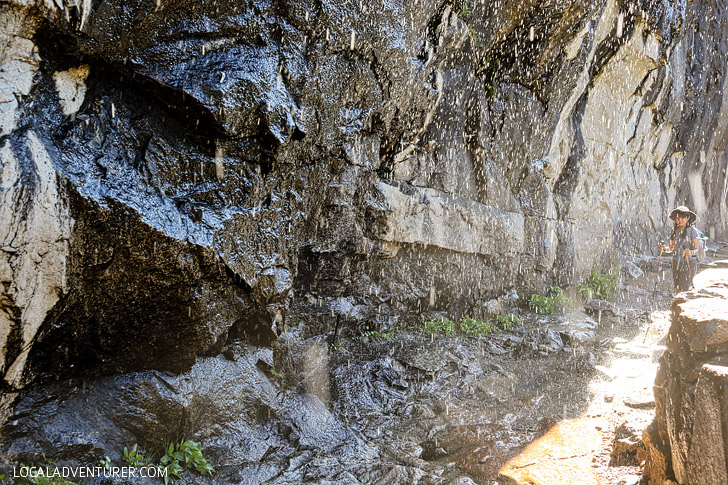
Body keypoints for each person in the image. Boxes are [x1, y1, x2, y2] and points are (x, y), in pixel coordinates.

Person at [659, 205, 700, 293]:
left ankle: (681, 305)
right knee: (678, 289)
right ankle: (679, 305)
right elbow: (671, 248)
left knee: (683, 290)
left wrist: (689, 252)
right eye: (677, 218)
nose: (679, 220)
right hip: (676, 262)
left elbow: (697, 250)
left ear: (688, 218)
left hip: (688, 263)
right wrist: (664, 249)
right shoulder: (674, 231)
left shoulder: (692, 231)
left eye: (682, 217)